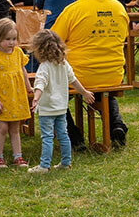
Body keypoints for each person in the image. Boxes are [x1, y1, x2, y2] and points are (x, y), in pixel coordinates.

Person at [51, 0, 130, 147]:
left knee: (53, 93)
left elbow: (53, 41)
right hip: (114, 74)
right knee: (107, 94)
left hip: (80, 77)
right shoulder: (118, 7)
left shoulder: (73, 10)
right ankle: (116, 125)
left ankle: (73, 137)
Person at [28, 29, 95, 173]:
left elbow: (40, 83)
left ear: (39, 49)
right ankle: (66, 162)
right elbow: (74, 80)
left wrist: (36, 98)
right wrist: (84, 92)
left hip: (47, 109)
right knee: (63, 135)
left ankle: (44, 166)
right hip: (61, 108)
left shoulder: (44, 67)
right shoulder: (63, 64)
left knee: (47, 137)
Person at [0, 18, 33, 168]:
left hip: (15, 96)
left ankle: (18, 156)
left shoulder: (17, 53)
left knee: (15, 128)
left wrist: (28, 87)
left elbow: (22, 71)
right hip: (0, 97)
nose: (11, 42)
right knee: (2, 128)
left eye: (14, 39)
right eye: (7, 39)